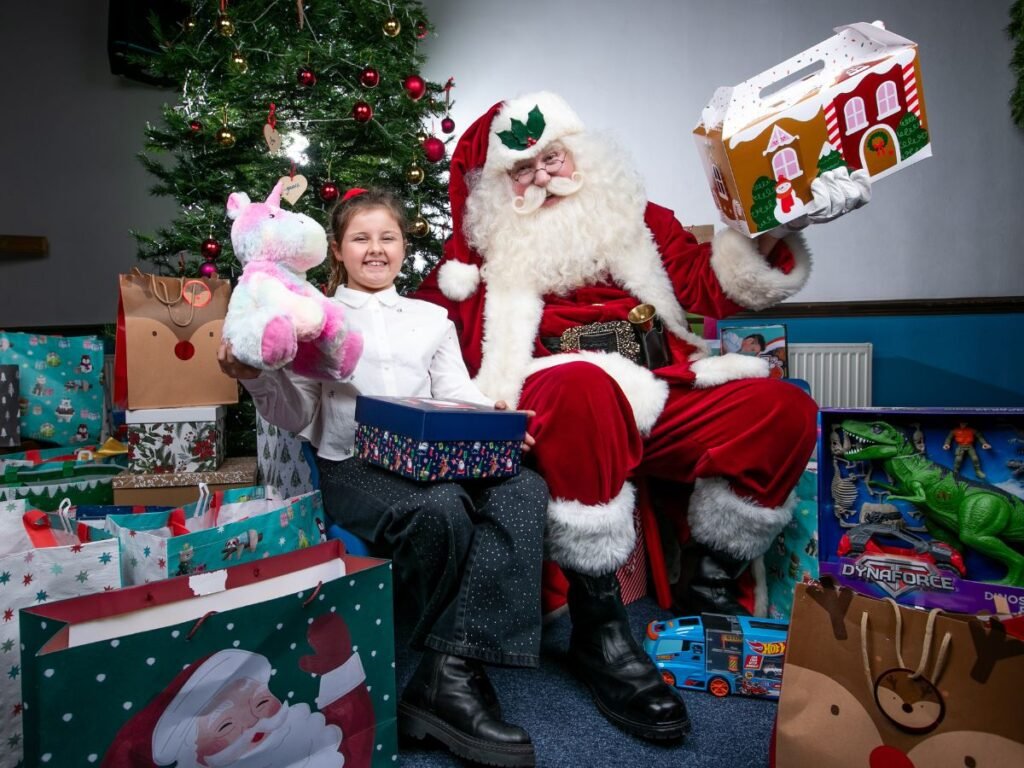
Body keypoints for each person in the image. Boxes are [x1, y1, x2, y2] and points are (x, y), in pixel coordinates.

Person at [415, 91, 871, 740]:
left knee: (781, 406)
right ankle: (600, 630)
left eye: (554, 156)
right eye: (523, 168)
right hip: (554, 401)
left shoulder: (639, 219)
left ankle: (707, 587)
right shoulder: (477, 260)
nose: (544, 174)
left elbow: (714, 286)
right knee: (584, 385)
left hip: (659, 391)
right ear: (496, 188)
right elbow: (414, 334)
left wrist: (776, 224)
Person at [218, 188, 549, 767]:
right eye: (360, 239)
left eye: (387, 237)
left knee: (525, 487)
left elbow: (457, 396)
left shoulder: (432, 319)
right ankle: (453, 675)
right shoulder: (313, 318)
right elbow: (297, 416)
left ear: (403, 246)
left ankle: (445, 673)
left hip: (435, 458)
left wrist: (495, 422)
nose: (376, 249)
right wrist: (254, 379)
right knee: (442, 509)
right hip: (353, 467)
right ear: (338, 252)